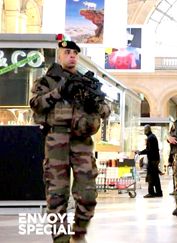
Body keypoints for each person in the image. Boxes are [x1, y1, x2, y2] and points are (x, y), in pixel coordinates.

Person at [30, 40, 111, 243]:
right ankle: (60, 239)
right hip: (56, 141)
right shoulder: (47, 81)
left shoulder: (86, 83)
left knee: (88, 194)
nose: (72, 55)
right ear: (60, 55)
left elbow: (106, 110)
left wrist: (96, 104)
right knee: (57, 195)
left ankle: (79, 234)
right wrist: (60, 91)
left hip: (82, 142)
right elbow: (35, 104)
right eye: (68, 52)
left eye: (75, 52)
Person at [138, 125, 163, 198]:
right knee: (155, 176)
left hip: (152, 160)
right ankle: (159, 192)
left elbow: (149, 150)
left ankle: (151, 192)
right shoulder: (153, 136)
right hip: (155, 159)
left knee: (151, 176)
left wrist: (140, 152)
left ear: (147, 130)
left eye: (144, 130)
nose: (144, 132)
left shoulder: (150, 138)